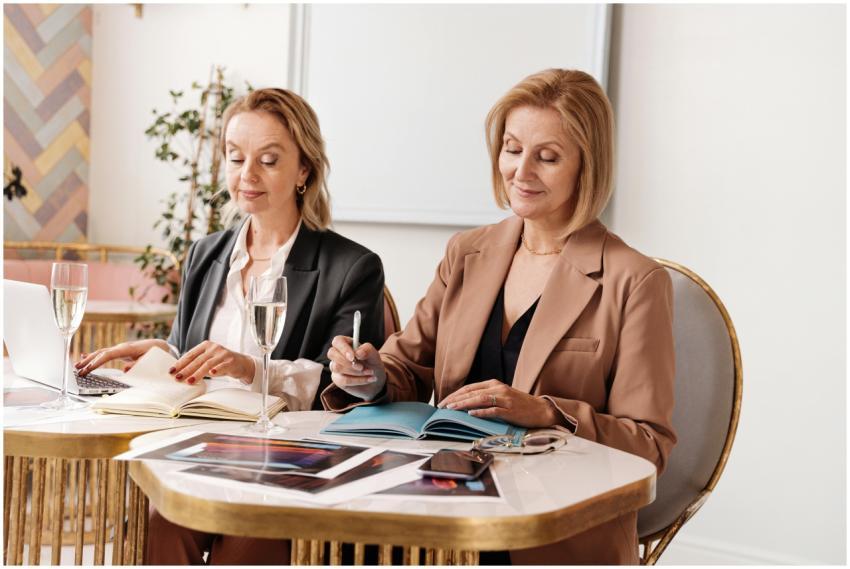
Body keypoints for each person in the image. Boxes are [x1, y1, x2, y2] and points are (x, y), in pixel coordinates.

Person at [325, 69, 676, 565]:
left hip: (550, 528)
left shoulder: (635, 281)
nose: (521, 171)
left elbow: (650, 446)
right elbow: (407, 368)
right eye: (512, 149)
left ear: (587, 165)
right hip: (437, 500)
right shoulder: (467, 252)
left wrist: (549, 413)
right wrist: (370, 375)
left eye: (548, 157)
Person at [77, 88, 386, 564]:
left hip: (289, 462)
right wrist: (157, 355)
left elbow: (342, 391)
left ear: (304, 169)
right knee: (159, 526)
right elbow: (191, 361)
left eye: (268, 159)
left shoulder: (352, 266)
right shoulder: (206, 255)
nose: (247, 175)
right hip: (200, 450)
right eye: (235, 157)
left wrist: (248, 368)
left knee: (244, 545)